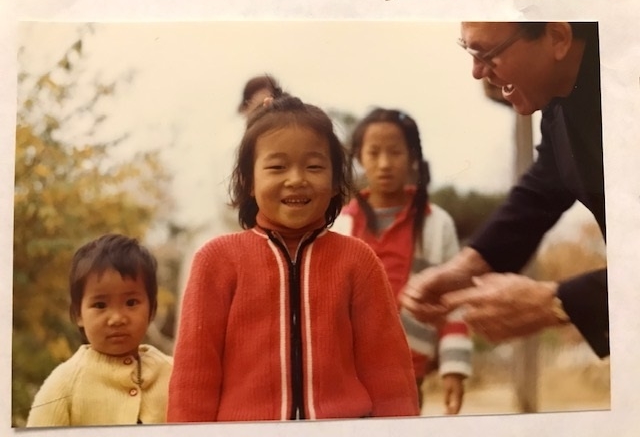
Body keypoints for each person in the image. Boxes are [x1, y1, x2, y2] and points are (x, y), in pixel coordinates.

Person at [167, 93, 419, 422]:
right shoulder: (216, 261)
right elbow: (193, 377)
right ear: (249, 182)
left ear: (334, 182)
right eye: (277, 166)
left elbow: (389, 373)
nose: (296, 179)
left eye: (314, 166)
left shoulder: (358, 260)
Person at [401, 22, 608, 358]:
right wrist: (468, 266)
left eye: (487, 54)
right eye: (469, 51)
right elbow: (544, 187)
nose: (476, 72)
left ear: (558, 37)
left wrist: (557, 302)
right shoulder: (561, 99)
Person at [333, 108, 472, 415]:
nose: (384, 163)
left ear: (412, 157)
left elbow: (454, 300)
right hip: (346, 374)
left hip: (408, 372)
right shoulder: (340, 226)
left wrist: (454, 367)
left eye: (395, 152)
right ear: (359, 157)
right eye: (374, 152)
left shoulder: (437, 225)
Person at [26, 234, 173, 426]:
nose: (117, 318)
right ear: (78, 314)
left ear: (152, 310)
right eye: (100, 305)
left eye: (131, 302)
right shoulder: (63, 384)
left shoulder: (173, 373)